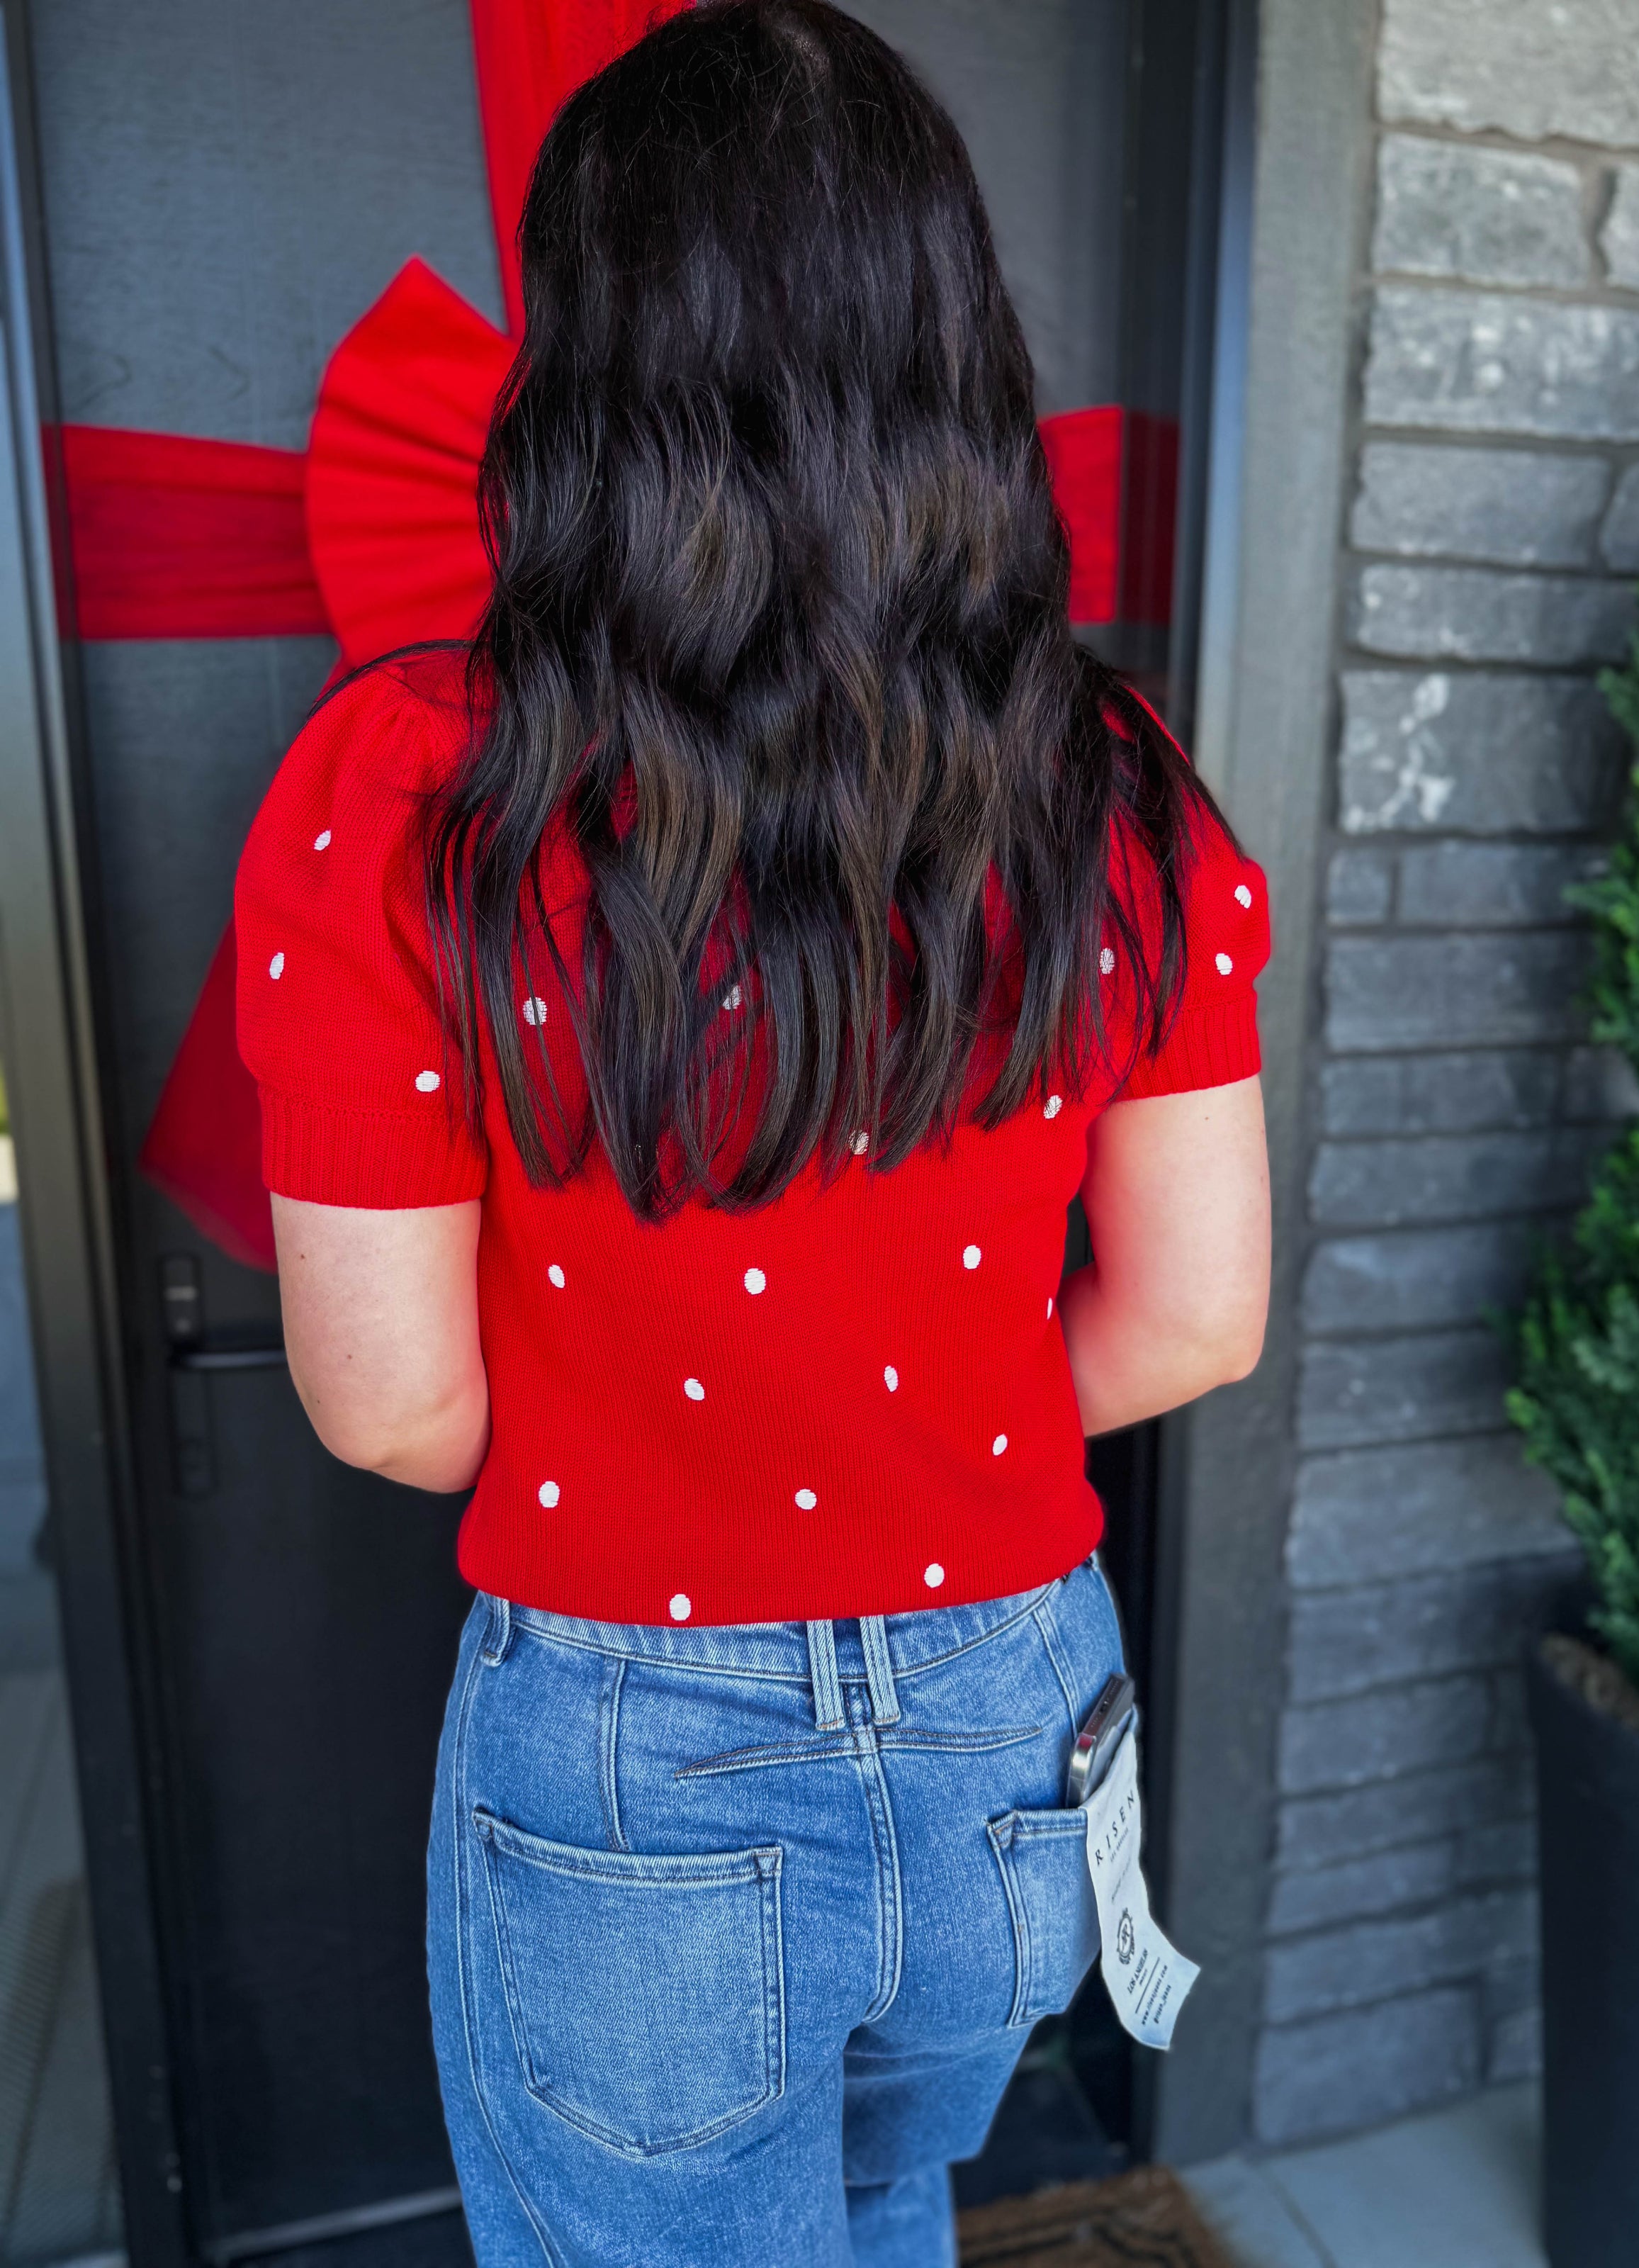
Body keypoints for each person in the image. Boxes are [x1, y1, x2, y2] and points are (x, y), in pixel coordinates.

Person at [234, 3, 1270, 2260]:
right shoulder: (1119, 793)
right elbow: (1198, 1322)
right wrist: (920, 1452)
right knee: (892, 2208)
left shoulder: (405, 787)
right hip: (1020, 1721)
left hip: (635, 1747)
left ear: (579, 363)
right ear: (955, 348)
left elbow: (394, 1405)